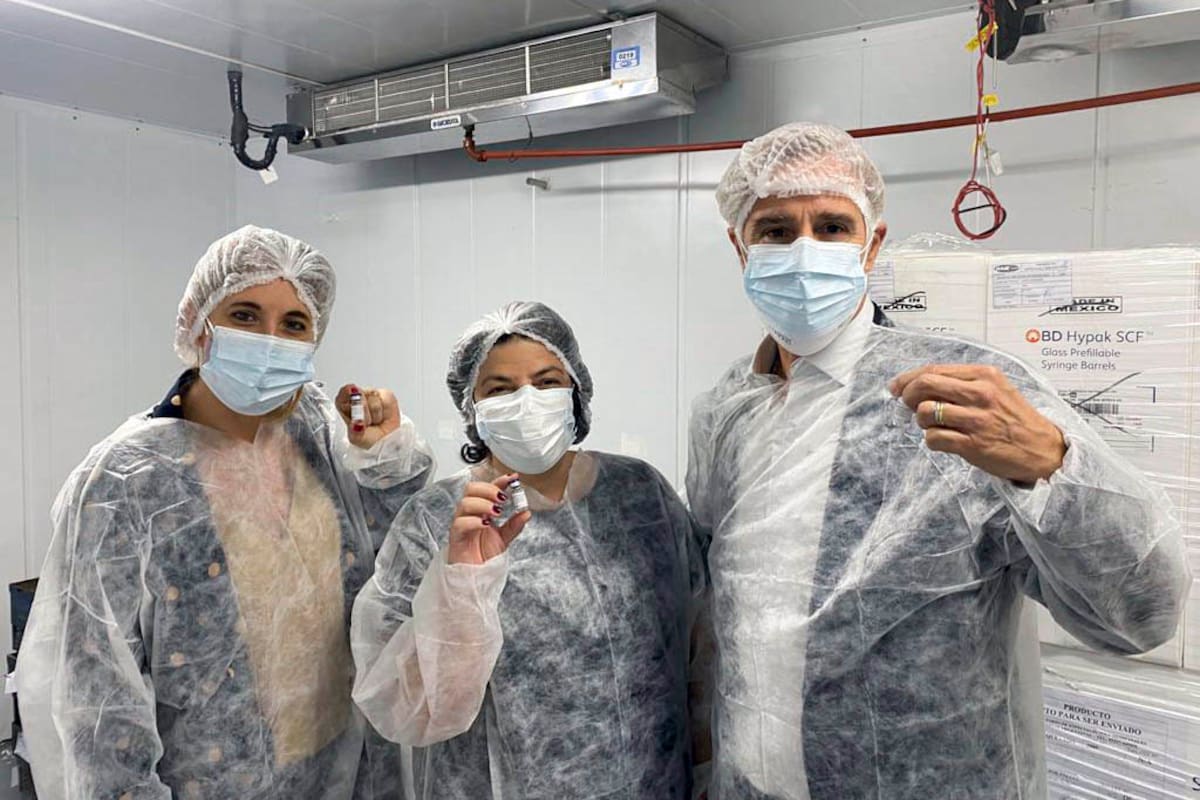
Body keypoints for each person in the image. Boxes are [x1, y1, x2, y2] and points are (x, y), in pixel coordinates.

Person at [687, 122, 1189, 799]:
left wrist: (1050, 467)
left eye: (833, 226)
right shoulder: (726, 412)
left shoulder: (971, 392)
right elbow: (726, 618)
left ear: (872, 245)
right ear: (738, 246)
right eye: (775, 230)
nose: (804, 250)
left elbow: (1139, 615)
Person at [16, 225, 435, 800]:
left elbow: (386, 581)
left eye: (293, 324)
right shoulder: (123, 481)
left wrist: (384, 462)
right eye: (244, 315)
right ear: (197, 324)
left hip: (350, 772)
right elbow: (97, 704)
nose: (270, 339)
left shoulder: (312, 430)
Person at [351, 301, 707, 799]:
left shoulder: (641, 496)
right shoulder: (434, 522)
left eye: (546, 382)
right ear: (472, 409)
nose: (527, 401)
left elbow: (700, 650)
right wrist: (460, 583)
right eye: (499, 389)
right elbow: (403, 706)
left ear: (576, 392)